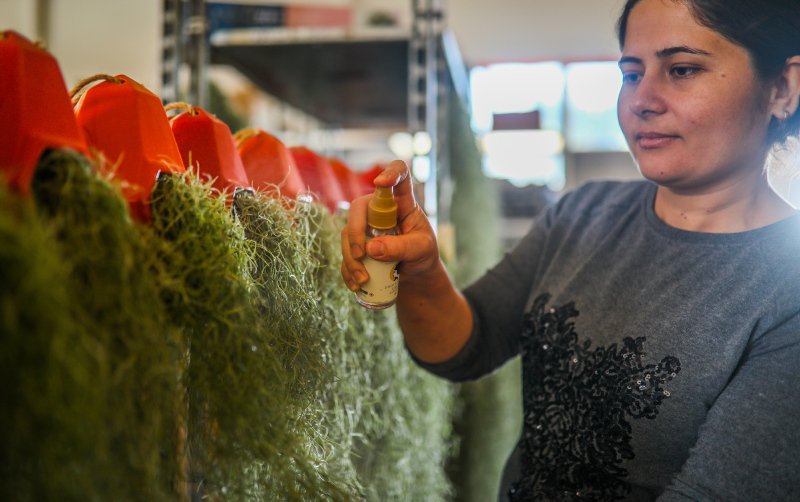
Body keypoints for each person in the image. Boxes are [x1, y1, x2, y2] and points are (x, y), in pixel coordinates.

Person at [341, 0, 800, 499]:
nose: (641, 100)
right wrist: (421, 269)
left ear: (782, 88)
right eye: (631, 74)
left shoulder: (786, 292)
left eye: (682, 70)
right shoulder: (582, 214)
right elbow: (464, 348)